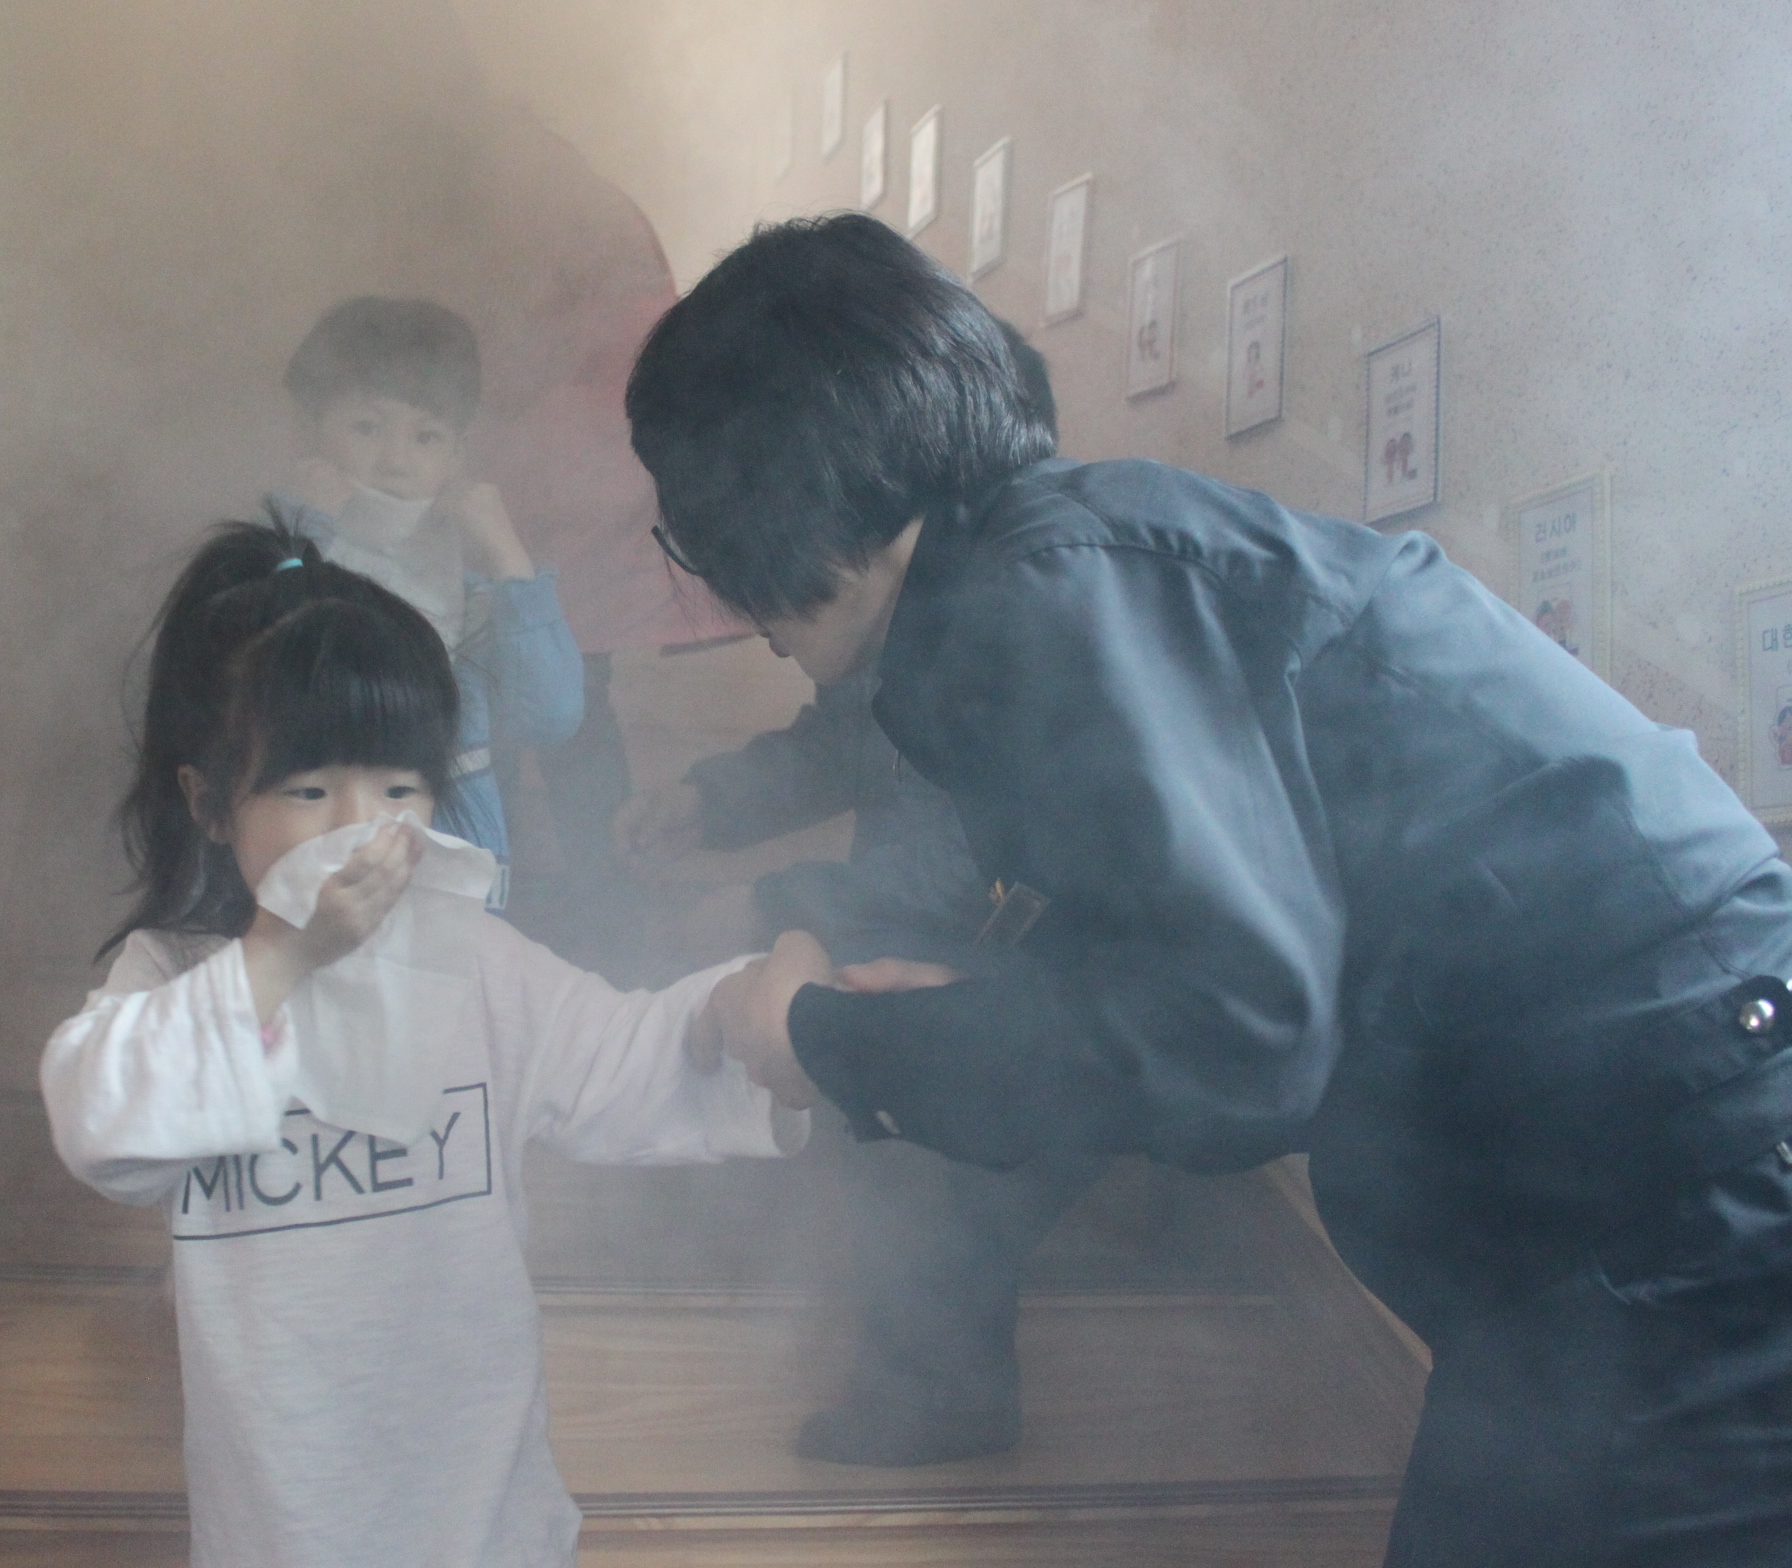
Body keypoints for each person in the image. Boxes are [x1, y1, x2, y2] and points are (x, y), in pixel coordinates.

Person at [627, 213, 1792, 1565]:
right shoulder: (1062, 564)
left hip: (1677, 1182)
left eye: (696, 521)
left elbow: (1236, 1041)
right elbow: (1202, 969)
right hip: (1649, 1165)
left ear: (774, 484)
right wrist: (938, 1011)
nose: (722, 590)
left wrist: (827, 1039)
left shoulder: (1049, 585)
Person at [40, 520, 806, 1568]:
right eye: (310, 790)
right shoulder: (179, 977)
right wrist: (282, 957)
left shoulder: (475, 963)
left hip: (485, 1511)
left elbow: (625, 1058)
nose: (365, 825)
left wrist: (729, 1007)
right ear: (210, 804)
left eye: (400, 788)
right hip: (286, 1519)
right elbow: (102, 1127)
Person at [612, 322, 1108, 1466]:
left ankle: (936, 1394)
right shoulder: (902, 607)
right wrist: (709, 802)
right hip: (936, 925)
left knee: (916, 1114)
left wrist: (775, 903)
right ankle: (731, 1236)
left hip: (1030, 953)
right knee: (823, 1020)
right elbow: (836, 737)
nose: (765, 631)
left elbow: (967, 860)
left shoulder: (1011, 624)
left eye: (770, 600)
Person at [269, 296, 586, 909]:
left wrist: (507, 555)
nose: (396, 461)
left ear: (457, 456)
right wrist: (306, 533)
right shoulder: (272, 565)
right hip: (316, 880)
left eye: (427, 436)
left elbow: (550, 717)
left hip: (453, 888)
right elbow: (272, 692)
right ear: (308, 434)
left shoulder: (471, 600)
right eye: (367, 428)